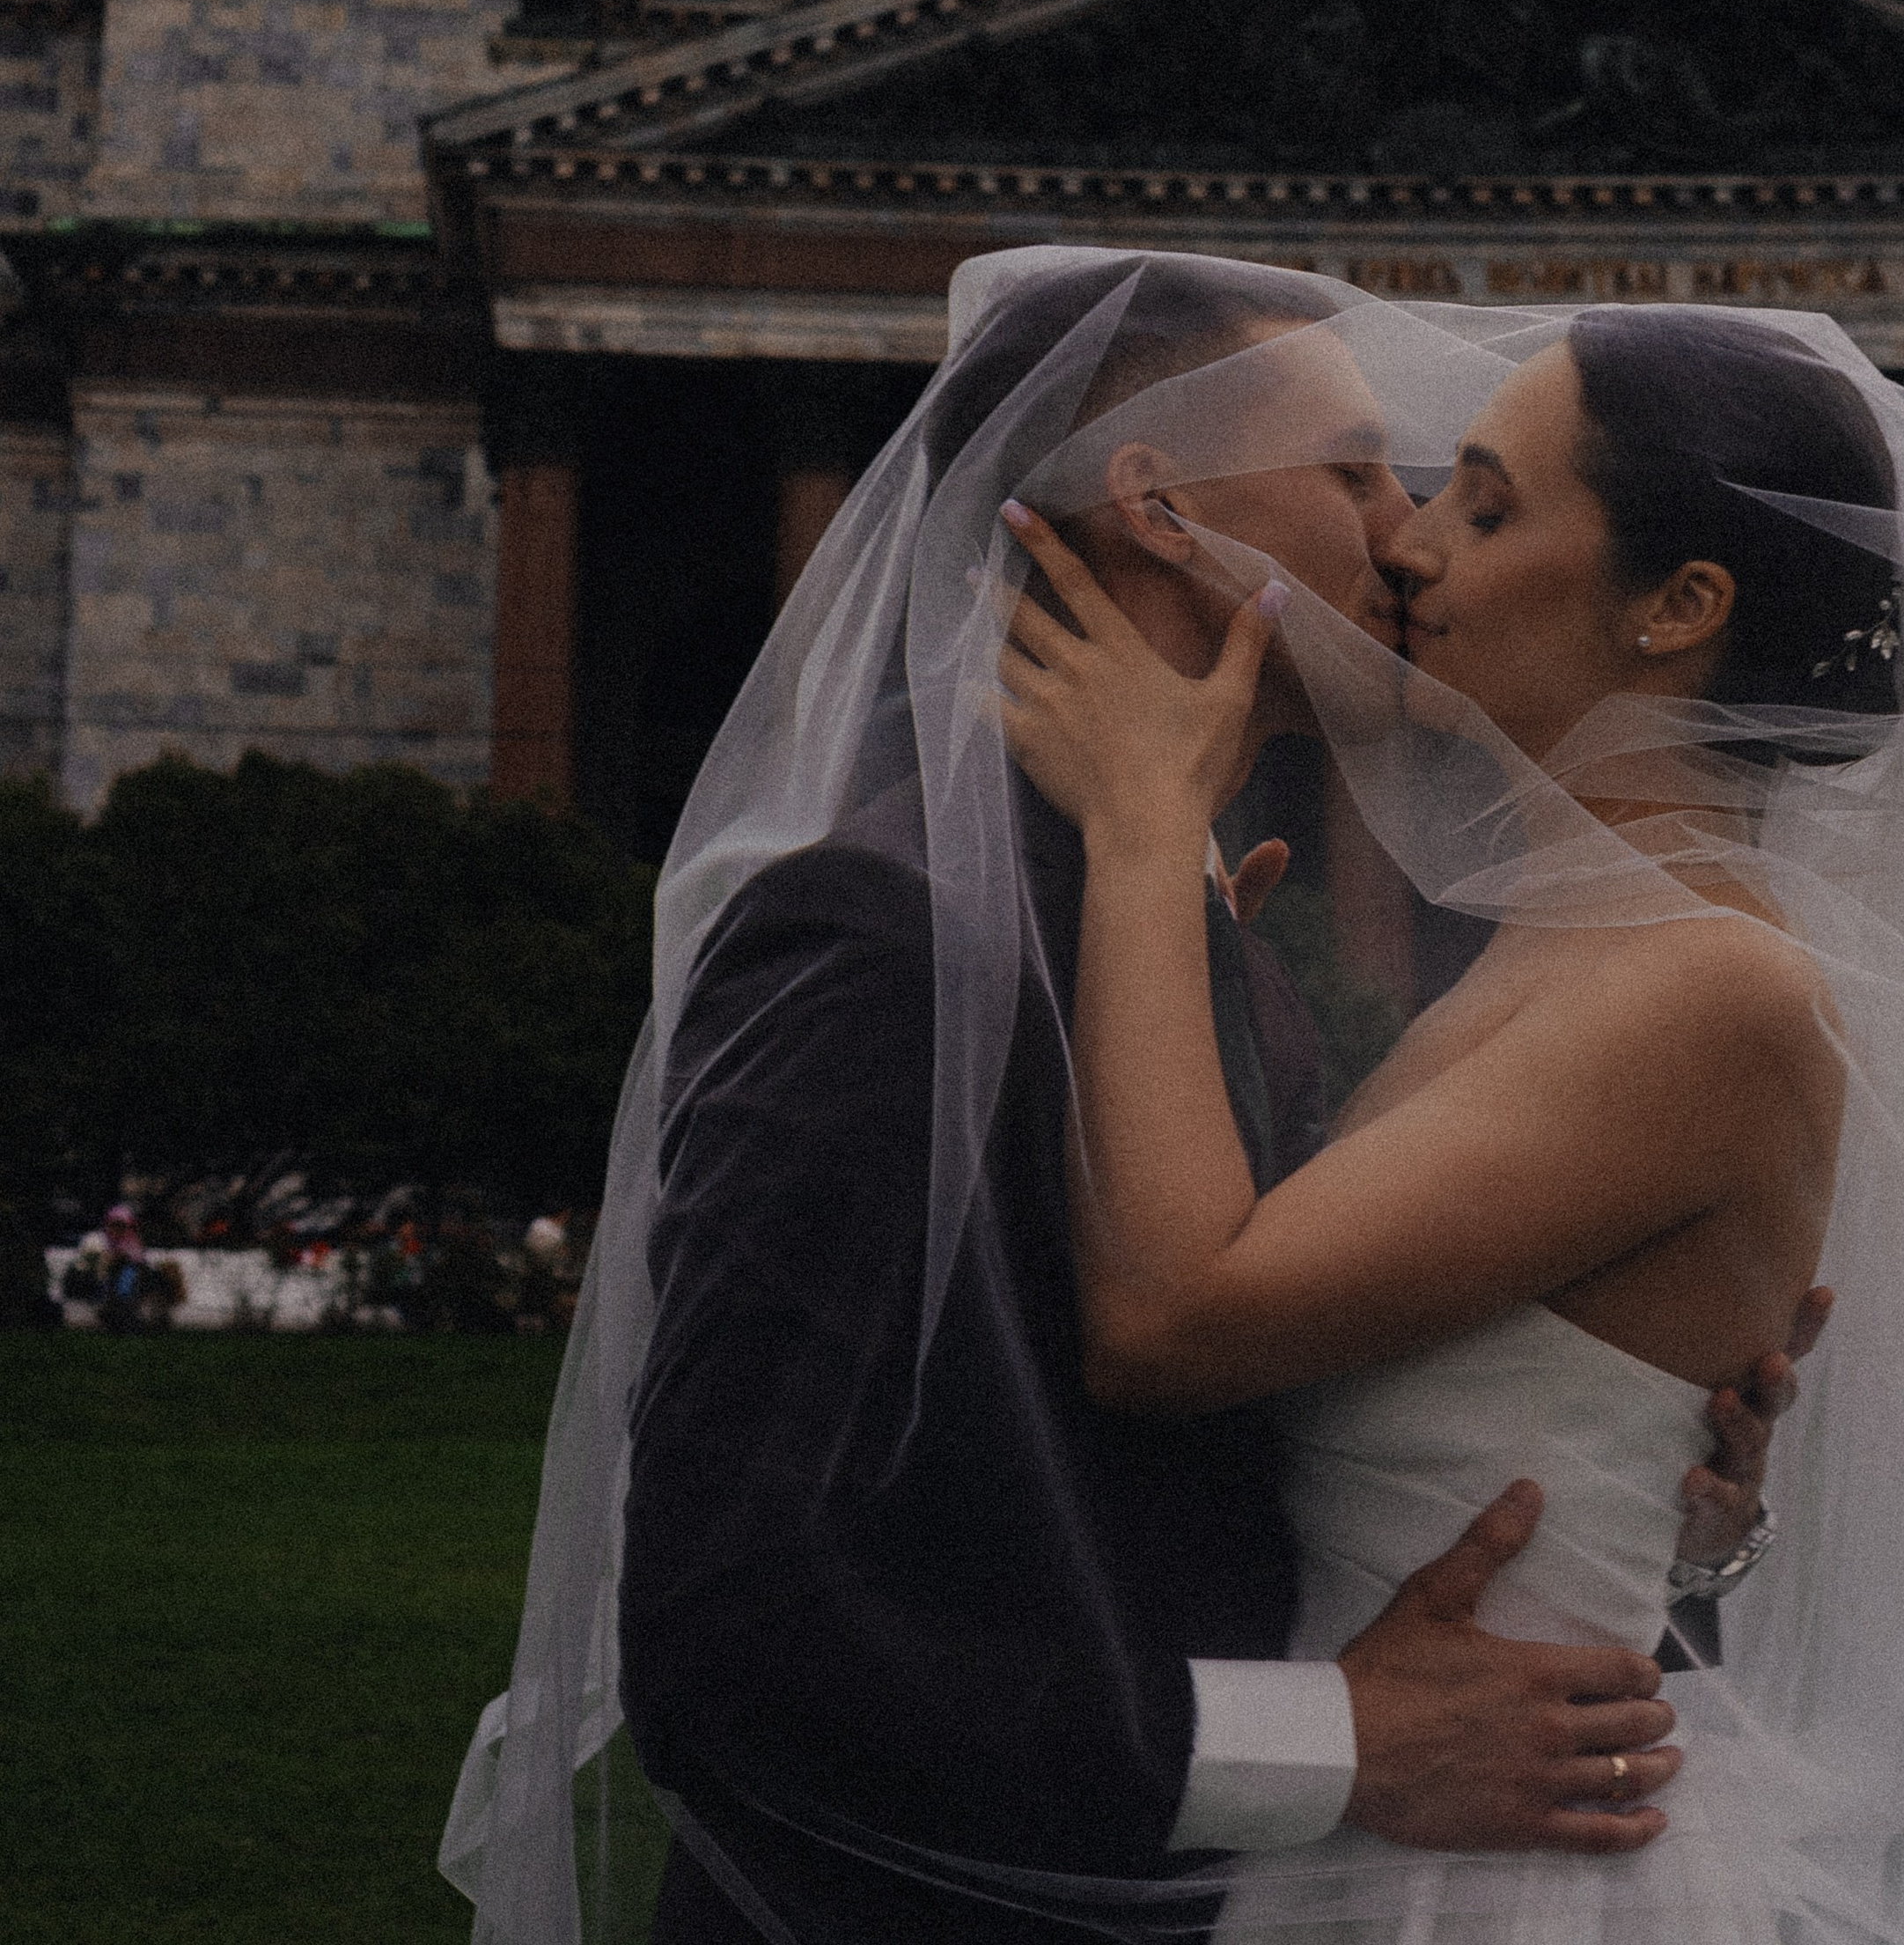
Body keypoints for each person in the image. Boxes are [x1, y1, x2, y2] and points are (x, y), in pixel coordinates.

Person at [441, 258, 1811, 1945]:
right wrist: (1329, 1745)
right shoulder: (891, 935)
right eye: (1355, 470)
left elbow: (1226, 1476)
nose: (1400, 537)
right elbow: (737, 1629)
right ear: (1160, 505)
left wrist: (1653, 1459)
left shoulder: (1191, 932)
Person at [996, 303, 1904, 1945]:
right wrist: (1684, 1523)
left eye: (1487, 507)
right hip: (1393, 1818)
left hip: (1495, 1881)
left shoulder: (1709, 988)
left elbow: (1167, 1316)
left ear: (1679, 608)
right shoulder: (1566, 949)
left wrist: (1147, 835)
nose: (1410, 552)